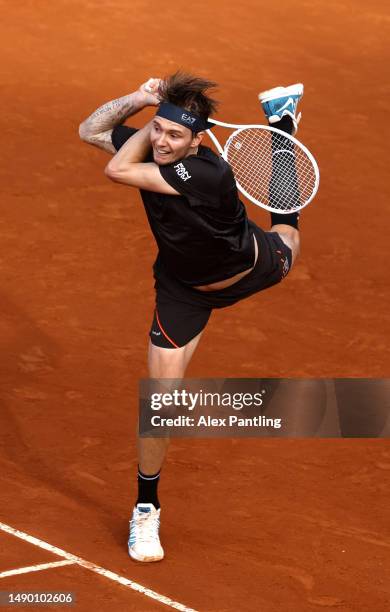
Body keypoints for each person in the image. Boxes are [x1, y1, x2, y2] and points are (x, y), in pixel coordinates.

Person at [79, 73, 303, 562]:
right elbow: (90, 129)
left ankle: (283, 127)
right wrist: (141, 101)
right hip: (183, 292)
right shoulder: (159, 146)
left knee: (286, 234)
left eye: (174, 135)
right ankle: (146, 509)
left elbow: (117, 170)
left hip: (249, 268)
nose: (161, 141)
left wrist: (148, 125)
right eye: (157, 130)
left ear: (198, 140)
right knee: (161, 404)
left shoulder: (208, 174)